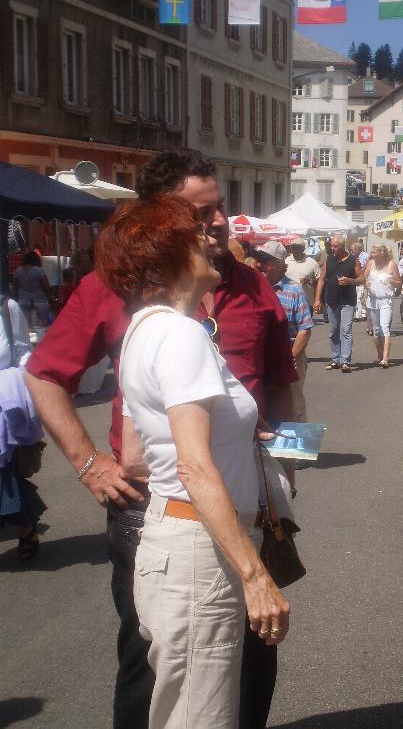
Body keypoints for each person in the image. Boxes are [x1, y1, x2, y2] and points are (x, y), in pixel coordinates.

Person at [25, 149, 298, 729]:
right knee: (158, 671)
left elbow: (281, 384)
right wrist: (91, 464)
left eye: (219, 208)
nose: (216, 223)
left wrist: (283, 469)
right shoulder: (137, 302)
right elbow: (44, 373)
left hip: (240, 505)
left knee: (244, 664)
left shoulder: (246, 286)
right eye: (199, 215)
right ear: (163, 228)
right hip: (176, 511)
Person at [95, 194, 290, 729]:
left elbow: (137, 455)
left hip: (176, 540)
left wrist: (235, 436)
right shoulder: (182, 335)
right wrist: (254, 576)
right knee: (200, 717)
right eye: (194, 232)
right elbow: (193, 467)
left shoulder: (142, 330)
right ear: (166, 258)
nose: (209, 237)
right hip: (200, 549)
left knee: (183, 709)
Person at [0, 294, 45, 560]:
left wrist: (27, 394)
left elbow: (21, 352)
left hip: (3, 406)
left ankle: (25, 528)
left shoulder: (7, 307)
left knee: (5, 475)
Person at [255, 241, 313, 423]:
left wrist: (289, 359)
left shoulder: (294, 290)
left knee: (293, 407)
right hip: (261, 358)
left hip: (290, 356)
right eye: (258, 259)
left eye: (265, 260)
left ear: (280, 264)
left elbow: (305, 329)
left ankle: (296, 440)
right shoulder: (254, 289)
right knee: (263, 405)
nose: (259, 264)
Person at [314, 235, 364, 373]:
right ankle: (336, 359)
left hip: (348, 301)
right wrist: (317, 299)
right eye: (331, 246)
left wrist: (350, 281)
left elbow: (362, 279)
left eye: (335, 246)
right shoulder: (329, 259)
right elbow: (322, 279)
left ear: (343, 246)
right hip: (332, 300)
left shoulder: (353, 260)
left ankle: (345, 361)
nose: (332, 248)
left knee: (346, 330)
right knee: (334, 330)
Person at [363, 245, 401, 368]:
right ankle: (379, 355)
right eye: (372, 252)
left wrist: (390, 281)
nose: (371, 254)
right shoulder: (370, 263)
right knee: (376, 330)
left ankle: (385, 358)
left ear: (382, 253)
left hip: (386, 300)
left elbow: (399, 283)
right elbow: (363, 278)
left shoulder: (391, 265)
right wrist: (366, 284)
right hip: (373, 300)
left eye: (374, 252)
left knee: (385, 328)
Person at [12, 251, 50, 327]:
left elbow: (15, 287)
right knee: (41, 326)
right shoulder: (39, 270)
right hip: (39, 300)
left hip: (23, 300)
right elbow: (46, 286)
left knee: (25, 325)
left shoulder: (18, 270)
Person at [285, 241, 320, 308]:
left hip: (307, 303)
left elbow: (320, 280)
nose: (294, 250)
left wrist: (310, 280)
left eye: (297, 248)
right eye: (293, 248)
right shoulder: (286, 261)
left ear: (303, 249)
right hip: (288, 302)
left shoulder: (312, 262)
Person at [351, 242, 369, 321]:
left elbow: (367, 267)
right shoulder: (354, 257)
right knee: (361, 297)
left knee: (360, 297)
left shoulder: (365, 256)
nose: (351, 252)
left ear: (357, 250)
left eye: (352, 250)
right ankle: (363, 313)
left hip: (363, 279)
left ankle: (358, 315)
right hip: (357, 279)